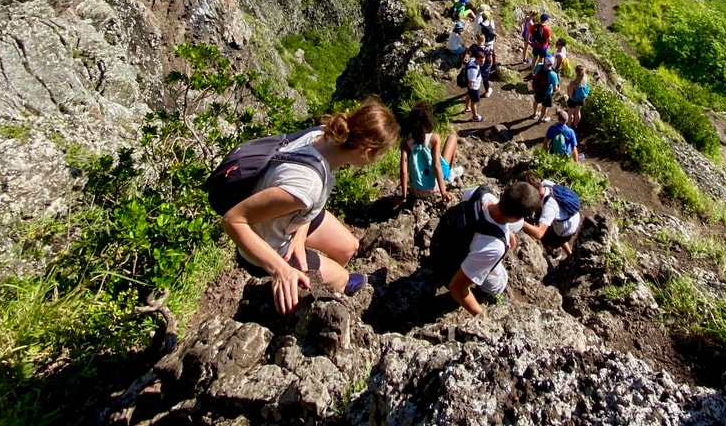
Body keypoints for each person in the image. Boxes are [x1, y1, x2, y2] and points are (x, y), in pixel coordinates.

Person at [221, 100, 400, 314]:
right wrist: (281, 269)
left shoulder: (326, 135)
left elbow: (306, 199)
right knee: (343, 279)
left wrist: (300, 233)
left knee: (349, 246)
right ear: (367, 152)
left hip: (286, 215)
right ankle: (315, 300)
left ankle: (322, 277)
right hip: (265, 245)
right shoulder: (307, 185)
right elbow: (233, 220)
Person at [441, 182, 542, 314]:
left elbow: (474, 212)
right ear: (518, 217)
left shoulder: (480, 193)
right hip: (450, 267)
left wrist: (505, 231)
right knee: (500, 281)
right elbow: (456, 288)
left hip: (445, 242)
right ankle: (490, 294)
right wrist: (483, 318)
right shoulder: (494, 247)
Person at [399, 101, 461, 202]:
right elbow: (436, 165)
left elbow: (403, 171)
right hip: (434, 187)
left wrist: (404, 196)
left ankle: (449, 173)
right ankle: (450, 173)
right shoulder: (434, 138)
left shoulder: (405, 144)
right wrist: (443, 192)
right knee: (452, 138)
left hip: (417, 191)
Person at [519, 173, 583, 257]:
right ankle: (569, 254)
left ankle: (553, 252)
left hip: (565, 230)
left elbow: (539, 233)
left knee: (545, 236)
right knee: (541, 217)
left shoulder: (549, 206)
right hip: (571, 218)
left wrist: (520, 222)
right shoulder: (546, 184)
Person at [531, 58, 559, 123]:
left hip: (538, 90)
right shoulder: (553, 74)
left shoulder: (539, 66)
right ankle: (541, 119)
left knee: (536, 101)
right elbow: (555, 88)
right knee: (544, 107)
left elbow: (533, 72)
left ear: (545, 61)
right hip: (547, 94)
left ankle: (535, 114)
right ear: (552, 64)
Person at [464, 47, 485, 122]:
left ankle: (467, 107)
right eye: (481, 61)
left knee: (469, 95)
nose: (482, 63)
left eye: (483, 61)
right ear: (476, 59)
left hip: (471, 89)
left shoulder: (472, 60)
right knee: (474, 102)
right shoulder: (473, 71)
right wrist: (472, 90)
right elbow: (471, 83)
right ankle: (475, 117)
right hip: (474, 88)